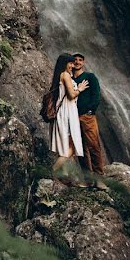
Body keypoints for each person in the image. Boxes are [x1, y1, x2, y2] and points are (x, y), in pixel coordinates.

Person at [49, 53, 89, 183]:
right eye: (70, 63)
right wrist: (81, 89)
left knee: (69, 144)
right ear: (64, 63)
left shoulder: (63, 75)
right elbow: (71, 95)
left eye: (73, 63)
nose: (73, 65)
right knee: (71, 143)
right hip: (66, 112)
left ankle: (63, 173)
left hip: (67, 111)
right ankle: (54, 170)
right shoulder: (65, 75)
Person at [72, 52, 108, 188]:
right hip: (73, 118)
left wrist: (91, 110)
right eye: (75, 60)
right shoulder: (70, 79)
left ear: (83, 63)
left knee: (94, 146)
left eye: (80, 60)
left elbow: (96, 95)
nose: (77, 62)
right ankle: (87, 179)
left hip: (87, 117)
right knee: (79, 149)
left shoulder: (89, 77)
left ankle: (99, 179)